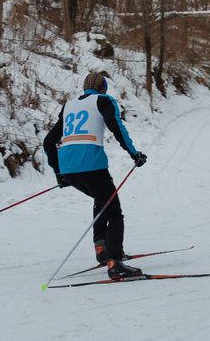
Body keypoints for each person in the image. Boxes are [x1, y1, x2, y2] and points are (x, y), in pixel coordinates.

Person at [43, 71, 147, 279]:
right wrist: (134, 154)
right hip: (92, 166)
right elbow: (117, 127)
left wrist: (59, 173)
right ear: (103, 88)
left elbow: (48, 142)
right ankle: (115, 262)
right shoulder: (104, 101)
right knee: (115, 211)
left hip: (69, 169)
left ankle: (101, 249)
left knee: (102, 200)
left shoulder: (69, 106)